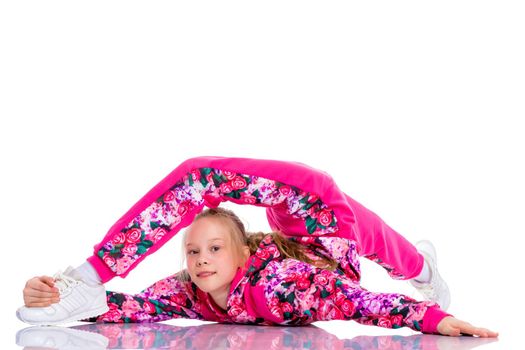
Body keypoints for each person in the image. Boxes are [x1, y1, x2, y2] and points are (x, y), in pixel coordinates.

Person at [17, 156, 498, 337]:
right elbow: (138, 307)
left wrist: (433, 320)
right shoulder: (193, 289)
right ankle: (424, 271)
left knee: (199, 177)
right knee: (369, 235)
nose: (201, 260)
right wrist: (65, 302)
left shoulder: (285, 287)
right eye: (193, 251)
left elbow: (366, 304)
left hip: (313, 214)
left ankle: (89, 271)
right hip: (328, 245)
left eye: (214, 250)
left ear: (245, 250)